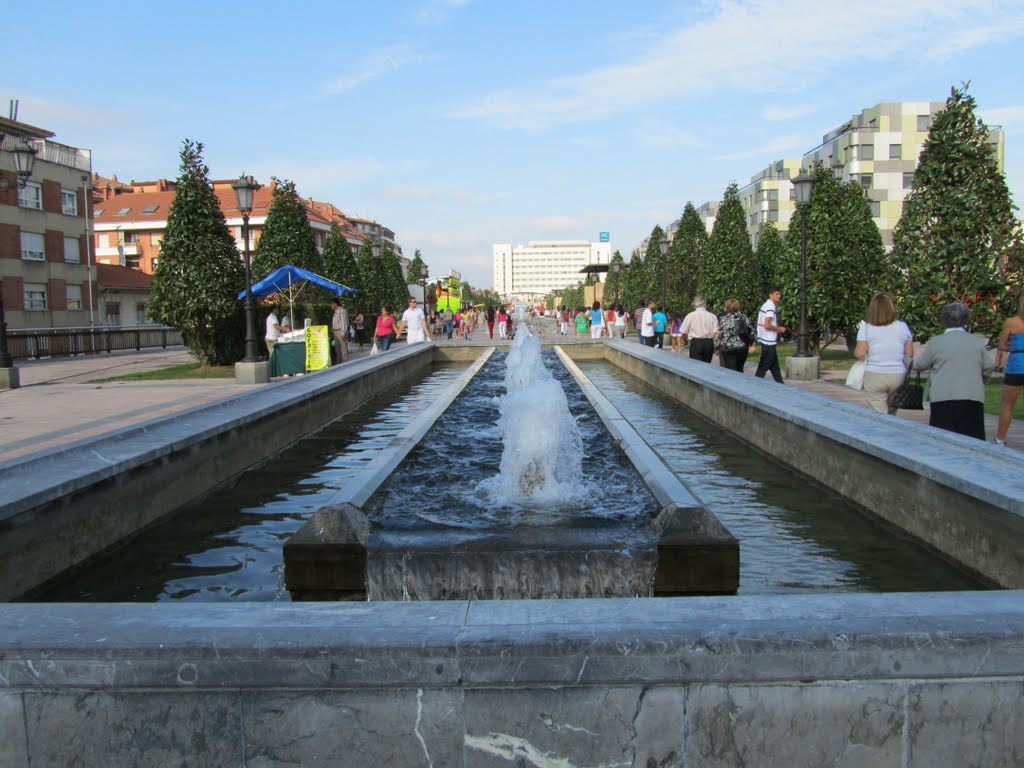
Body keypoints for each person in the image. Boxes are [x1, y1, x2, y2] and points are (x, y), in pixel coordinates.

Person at [911, 301, 993, 441]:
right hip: (971, 396)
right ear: (966, 319)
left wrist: (906, 360)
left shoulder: (936, 341)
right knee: (973, 439)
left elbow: (920, 365)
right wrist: (981, 380)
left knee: (944, 441)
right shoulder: (976, 342)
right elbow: (989, 366)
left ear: (943, 319)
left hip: (943, 397)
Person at [854, 293, 914, 414]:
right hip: (898, 374)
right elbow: (910, 354)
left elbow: (860, 353)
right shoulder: (903, 327)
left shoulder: (866, 328)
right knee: (892, 411)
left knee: (879, 412)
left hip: (874, 374)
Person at [994, 293, 1024, 445]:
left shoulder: (1011, 322)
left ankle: (1000, 439)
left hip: (1016, 366)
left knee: (1007, 406)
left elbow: (1002, 345)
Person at [755, 287, 786, 383]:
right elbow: (767, 325)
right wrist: (779, 328)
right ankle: (754, 384)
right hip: (768, 341)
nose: (779, 296)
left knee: (774, 366)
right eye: (777, 294)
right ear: (770, 295)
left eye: (779, 294)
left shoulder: (766, 305)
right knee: (763, 367)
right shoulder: (770, 307)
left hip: (767, 340)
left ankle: (781, 385)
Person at [717, 298, 753, 373]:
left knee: (730, 370)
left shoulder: (721, 317)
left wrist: (717, 346)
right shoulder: (743, 316)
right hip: (741, 346)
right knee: (739, 369)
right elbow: (750, 330)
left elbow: (719, 332)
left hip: (727, 347)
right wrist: (750, 343)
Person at [681, 296, 719, 362]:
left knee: (695, 366)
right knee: (707, 365)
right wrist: (717, 346)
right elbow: (716, 333)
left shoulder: (690, 316)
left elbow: (684, 331)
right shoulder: (712, 316)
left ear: (695, 304)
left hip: (696, 343)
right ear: (705, 304)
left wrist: (685, 341)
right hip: (708, 343)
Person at [330, 297, 349, 365]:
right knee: (337, 350)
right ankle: (339, 364)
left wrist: (343, 332)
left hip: (341, 331)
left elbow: (343, 322)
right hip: (335, 332)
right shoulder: (335, 312)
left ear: (335, 304)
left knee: (343, 349)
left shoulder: (342, 311)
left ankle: (345, 364)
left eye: (331, 304)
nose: (331, 306)